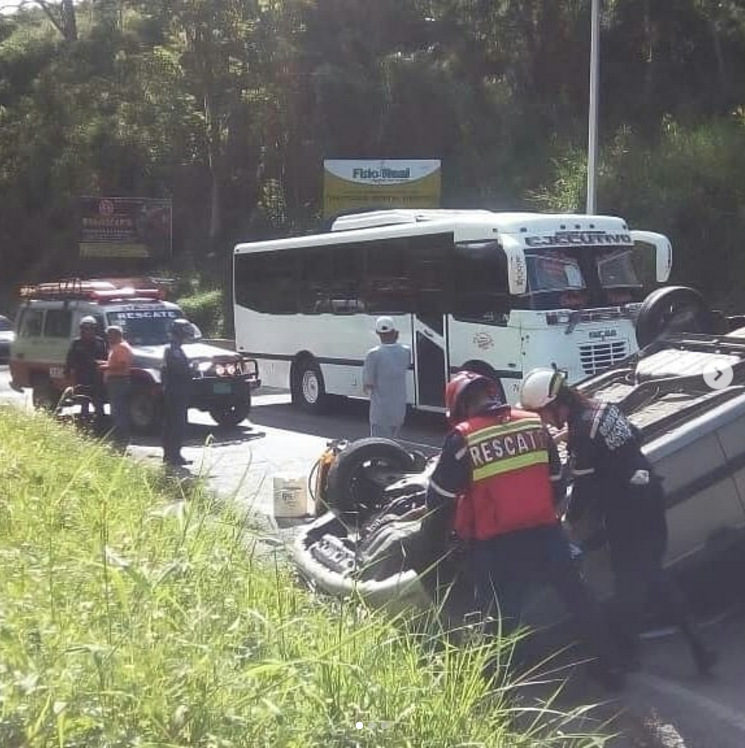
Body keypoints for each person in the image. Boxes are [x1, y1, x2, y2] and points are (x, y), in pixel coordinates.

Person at [425, 370, 624, 689]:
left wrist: (443, 539)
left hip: (497, 546)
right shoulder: (534, 425)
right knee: (580, 600)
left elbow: (438, 500)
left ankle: (499, 696)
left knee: (501, 619)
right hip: (547, 535)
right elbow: (559, 484)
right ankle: (613, 668)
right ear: (492, 394)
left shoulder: (463, 439)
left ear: (460, 408)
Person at [518, 367, 717, 675]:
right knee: (650, 576)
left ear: (554, 404)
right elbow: (634, 436)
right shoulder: (600, 409)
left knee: (632, 582)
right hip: (649, 494)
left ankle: (628, 657)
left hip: (628, 510)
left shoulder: (583, 430)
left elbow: (582, 490)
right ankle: (696, 649)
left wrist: (568, 521)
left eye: (542, 414)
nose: (544, 421)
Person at [362, 316, 410, 439]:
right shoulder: (406, 351)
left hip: (380, 412)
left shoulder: (373, 354)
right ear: (395, 332)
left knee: (379, 448)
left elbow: (368, 384)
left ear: (378, 333)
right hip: (399, 410)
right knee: (393, 444)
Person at [161, 319, 194, 466]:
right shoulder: (174, 350)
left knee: (172, 424)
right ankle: (174, 456)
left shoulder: (174, 348)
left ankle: (170, 455)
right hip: (176, 392)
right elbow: (179, 370)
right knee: (177, 425)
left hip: (174, 391)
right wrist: (193, 368)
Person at [64, 316, 107, 425]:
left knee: (98, 403)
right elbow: (70, 359)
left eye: (90, 328)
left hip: (97, 378)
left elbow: (105, 358)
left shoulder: (100, 342)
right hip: (82, 378)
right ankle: (84, 425)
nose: (88, 331)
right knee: (84, 403)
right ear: (81, 329)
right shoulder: (76, 343)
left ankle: (100, 426)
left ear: (94, 329)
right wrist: (67, 372)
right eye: (85, 328)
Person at [100, 325, 133, 446]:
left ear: (116, 335)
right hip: (115, 381)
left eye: (109, 335)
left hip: (119, 382)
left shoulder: (121, 348)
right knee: (117, 410)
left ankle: (121, 440)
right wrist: (105, 363)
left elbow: (122, 365)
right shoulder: (116, 347)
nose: (108, 338)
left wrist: (105, 367)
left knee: (119, 411)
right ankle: (119, 439)